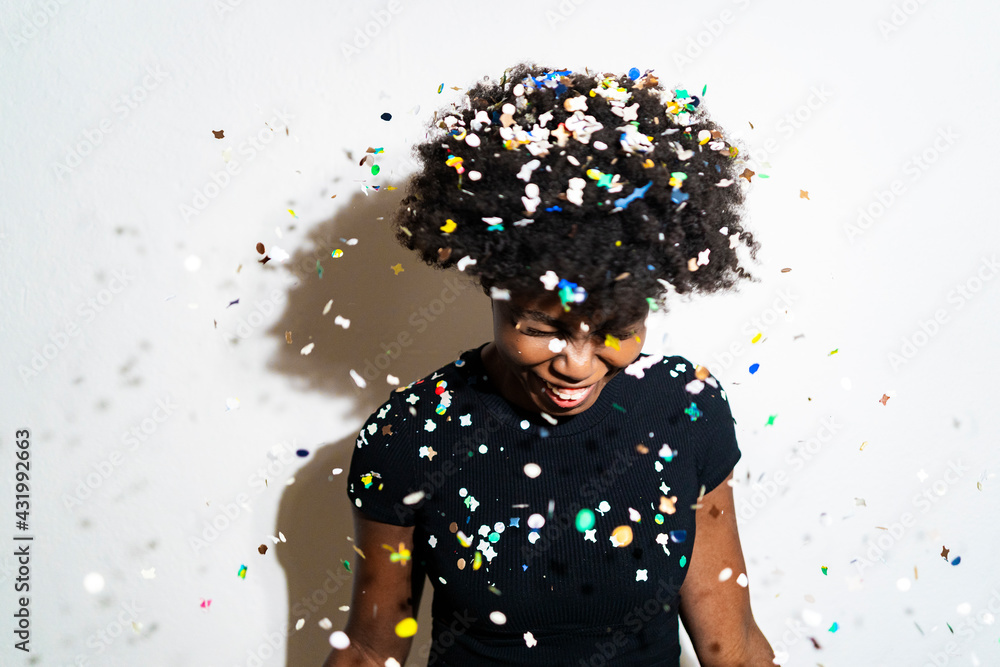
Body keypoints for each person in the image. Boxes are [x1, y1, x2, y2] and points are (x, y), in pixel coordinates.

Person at [325, 62, 776, 666]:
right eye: (542, 328)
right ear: (491, 284)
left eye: (617, 328)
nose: (579, 364)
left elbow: (735, 645)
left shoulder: (683, 408)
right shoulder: (411, 433)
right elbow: (370, 648)